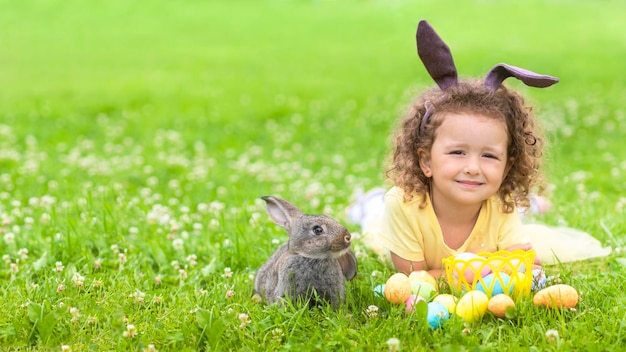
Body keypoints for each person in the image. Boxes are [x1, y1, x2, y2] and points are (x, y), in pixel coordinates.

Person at [348, 20, 611, 278]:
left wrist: (521, 266)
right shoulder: (403, 206)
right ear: (426, 161)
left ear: (507, 166)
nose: (473, 168)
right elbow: (416, 280)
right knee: (375, 218)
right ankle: (368, 202)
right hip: (390, 219)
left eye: (489, 156)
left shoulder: (500, 205)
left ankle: (531, 204)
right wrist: (485, 268)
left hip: (493, 215)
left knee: (518, 213)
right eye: (457, 152)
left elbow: (524, 264)